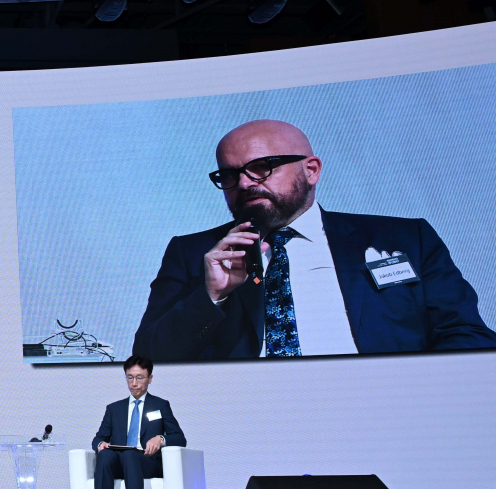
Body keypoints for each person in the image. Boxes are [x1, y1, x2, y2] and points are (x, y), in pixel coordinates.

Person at [133, 119, 495, 361]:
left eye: (261, 167)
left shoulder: (404, 238)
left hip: (388, 411)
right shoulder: (194, 252)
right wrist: (212, 295)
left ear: (311, 170)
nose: (244, 183)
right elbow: (148, 359)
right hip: (252, 419)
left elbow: (467, 335)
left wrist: (417, 396)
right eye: (229, 175)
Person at [80, 356, 184, 489]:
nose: (134, 384)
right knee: (105, 454)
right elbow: (98, 437)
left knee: (130, 454)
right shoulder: (114, 409)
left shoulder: (160, 405)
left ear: (150, 378)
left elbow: (180, 438)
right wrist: (100, 444)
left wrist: (161, 439)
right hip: (120, 462)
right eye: (130, 378)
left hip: (146, 462)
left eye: (140, 378)